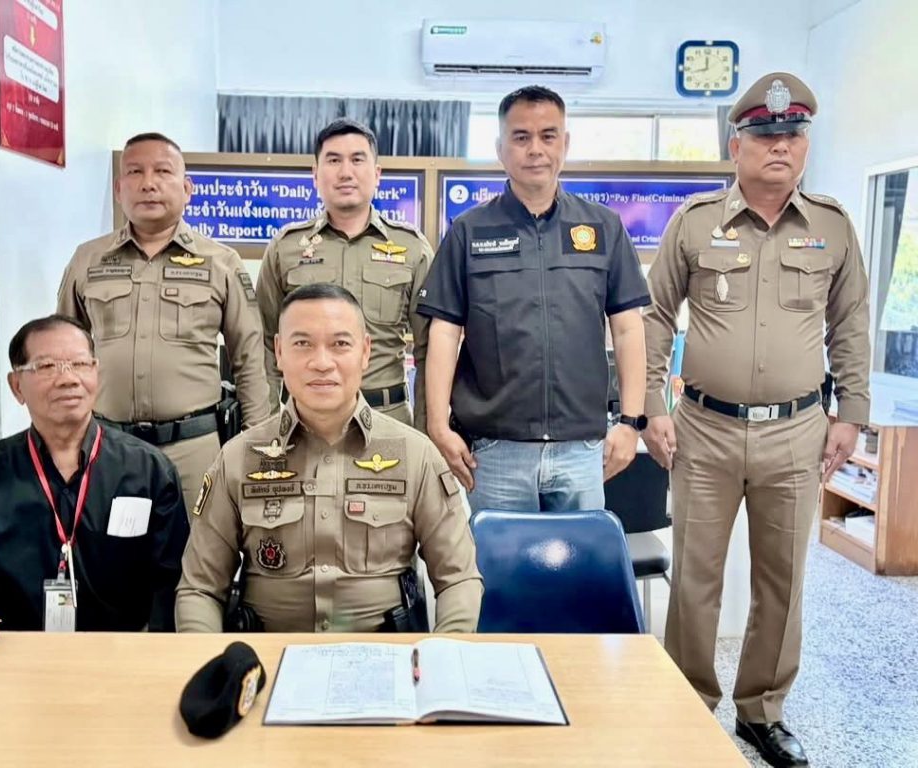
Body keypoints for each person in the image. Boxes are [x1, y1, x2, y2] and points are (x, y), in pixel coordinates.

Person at [642, 72, 871, 768]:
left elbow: (850, 323)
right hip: (705, 428)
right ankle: (688, 703)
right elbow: (655, 315)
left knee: (783, 580)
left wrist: (851, 412)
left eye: (792, 134)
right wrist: (651, 405)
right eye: (765, 134)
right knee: (696, 577)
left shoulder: (831, 226)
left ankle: (762, 712)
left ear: (806, 146)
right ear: (735, 145)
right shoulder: (695, 221)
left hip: (798, 431)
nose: (780, 146)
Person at [175, 284, 482, 633]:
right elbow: (200, 588)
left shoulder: (416, 456)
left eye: (340, 344)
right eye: (302, 344)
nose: (321, 363)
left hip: (384, 657)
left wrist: (443, 653)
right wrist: (211, 660)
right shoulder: (238, 458)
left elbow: (459, 579)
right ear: (279, 351)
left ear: (365, 352)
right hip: (267, 654)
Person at [417, 85, 650, 513]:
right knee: (497, 559)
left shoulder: (603, 228)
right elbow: (445, 334)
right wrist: (437, 424)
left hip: (582, 450)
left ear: (565, 144)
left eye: (548, 136)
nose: (535, 149)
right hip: (494, 453)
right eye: (521, 137)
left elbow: (628, 329)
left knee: (578, 557)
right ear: (500, 149)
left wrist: (632, 422)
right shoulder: (469, 231)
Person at [0, 316, 189, 631]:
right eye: (47, 366)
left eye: (80, 364)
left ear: (96, 373)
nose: (68, 379)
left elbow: (170, 581)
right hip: (17, 648)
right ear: (16, 386)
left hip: (122, 647)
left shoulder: (148, 471)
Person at [57, 132, 270, 516]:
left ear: (187, 188)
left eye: (162, 171)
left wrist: (258, 448)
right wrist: (60, 436)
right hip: (109, 447)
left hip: (194, 450)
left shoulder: (221, 262)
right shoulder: (87, 260)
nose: (148, 183)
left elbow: (250, 360)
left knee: (200, 549)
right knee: (109, 548)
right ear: (119, 189)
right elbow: (61, 355)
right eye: (135, 172)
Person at [255, 118, 433, 432]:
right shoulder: (286, 247)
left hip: (387, 421)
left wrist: (426, 432)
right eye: (334, 160)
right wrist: (268, 426)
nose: (345, 172)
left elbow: (429, 350)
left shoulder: (412, 248)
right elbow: (266, 343)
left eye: (357, 160)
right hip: (303, 424)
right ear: (315, 174)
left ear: (377, 174)